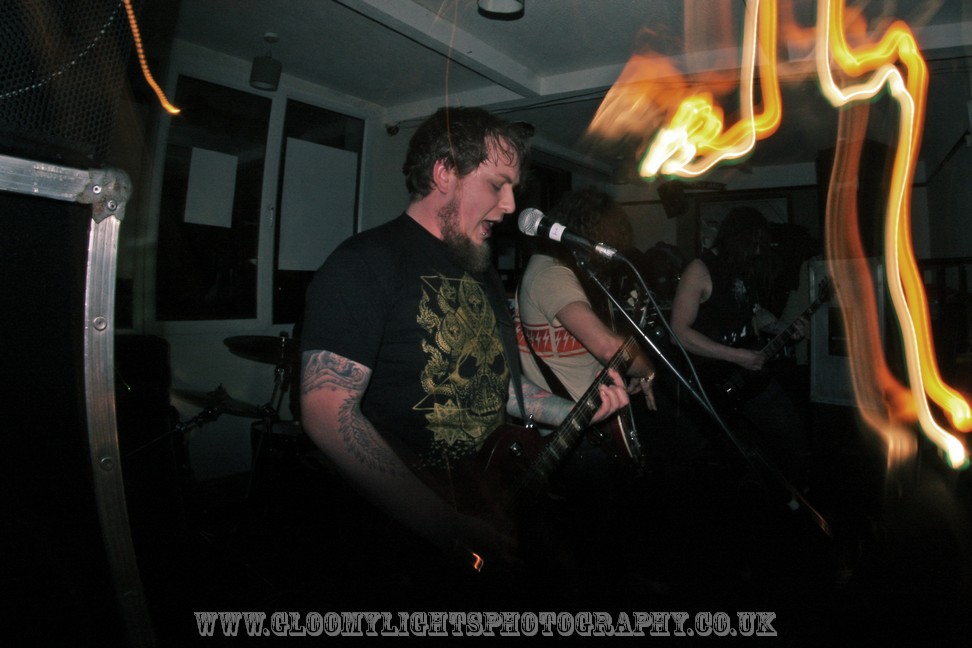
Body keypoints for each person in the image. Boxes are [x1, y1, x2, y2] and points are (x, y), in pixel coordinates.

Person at [298, 107, 629, 595]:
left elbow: (502, 387)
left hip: (486, 502)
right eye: (498, 185)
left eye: (513, 188)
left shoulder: (481, 271)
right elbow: (327, 414)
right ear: (444, 173)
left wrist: (577, 412)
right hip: (405, 532)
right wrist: (441, 524)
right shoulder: (364, 263)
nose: (510, 205)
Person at [669, 206, 810, 471]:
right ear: (737, 238)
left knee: (793, 438)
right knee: (714, 457)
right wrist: (736, 356)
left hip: (749, 375)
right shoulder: (700, 270)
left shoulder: (742, 269)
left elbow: (754, 313)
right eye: (753, 244)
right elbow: (678, 333)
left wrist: (784, 328)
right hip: (713, 379)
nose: (757, 251)